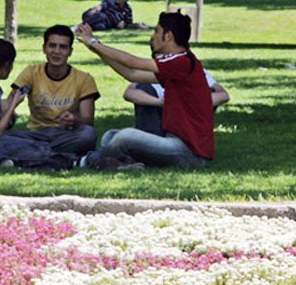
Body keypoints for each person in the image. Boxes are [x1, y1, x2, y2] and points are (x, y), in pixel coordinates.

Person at [74, 11, 214, 169]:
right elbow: (132, 74)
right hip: (174, 144)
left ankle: (89, 161)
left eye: (156, 31)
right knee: (111, 136)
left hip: (188, 153)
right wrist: (97, 50)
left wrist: (93, 42)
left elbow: (131, 62)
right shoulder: (180, 63)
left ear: (168, 36)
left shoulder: (182, 61)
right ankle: (126, 165)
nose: (152, 36)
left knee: (125, 137)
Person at [0, 39, 72, 169]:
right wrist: (14, 104)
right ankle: (70, 161)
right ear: (6, 65)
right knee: (34, 147)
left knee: (31, 143)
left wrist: (10, 109)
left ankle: (14, 162)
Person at [10, 25, 100, 157]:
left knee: (88, 134)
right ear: (44, 48)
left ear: (70, 51)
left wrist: (75, 120)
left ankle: (37, 153)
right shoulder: (31, 72)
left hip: (67, 134)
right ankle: (58, 155)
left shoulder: (84, 79)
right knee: (5, 137)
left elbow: (88, 121)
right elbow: (11, 101)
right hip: (37, 133)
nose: (56, 51)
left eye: (63, 47)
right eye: (52, 46)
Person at [125, 71, 229, 136]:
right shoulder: (150, 73)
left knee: (121, 137)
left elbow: (223, 95)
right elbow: (129, 93)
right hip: (155, 118)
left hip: (184, 124)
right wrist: (161, 103)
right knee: (144, 89)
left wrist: (183, 102)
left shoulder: (196, 72)